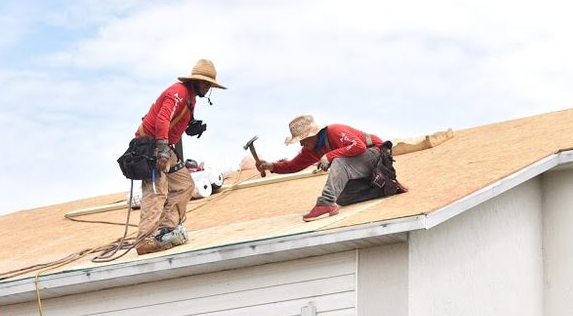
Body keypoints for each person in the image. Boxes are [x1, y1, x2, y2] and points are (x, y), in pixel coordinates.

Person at [134, 59, 226, 255]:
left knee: (185, 185)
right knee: (156, 191)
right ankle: (144, 240)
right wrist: (161, 149)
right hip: (151, 145)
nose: (207, 87)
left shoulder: (190, 98)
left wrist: (190, 126)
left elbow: (174, 121)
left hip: (164, 145)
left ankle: (165, 230)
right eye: (205, 83)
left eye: (210, 84)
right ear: (195, 81)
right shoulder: (179, 93)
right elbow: (163, 118)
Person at [256, 115, 387, 221]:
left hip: (377, 155)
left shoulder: (334, 131)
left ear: (313, 134)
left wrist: (329, 155)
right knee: (342, 197)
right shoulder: (312, 149)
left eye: (302, 139)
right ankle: (381, 189)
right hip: (363, 167)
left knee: (339, 163)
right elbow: (293, 166)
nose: (301, 143)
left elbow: (359, 147)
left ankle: (326, 202)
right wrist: (271, 166)